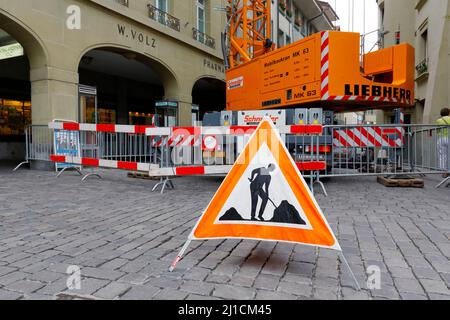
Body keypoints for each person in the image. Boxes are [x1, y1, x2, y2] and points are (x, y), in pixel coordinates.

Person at [437, 108, 450, 177]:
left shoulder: (439, 120)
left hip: (441, 138)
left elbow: (437, 130)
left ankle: (443, 171)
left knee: (442, 155)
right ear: (448, 113)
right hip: (449, 137)